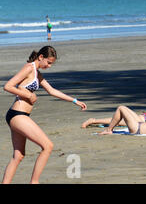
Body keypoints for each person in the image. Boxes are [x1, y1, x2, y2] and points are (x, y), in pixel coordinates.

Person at [2, 46, 87, 184]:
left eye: (51, 63)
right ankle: (34, 182)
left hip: (19, 115)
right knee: (48, 146)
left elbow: (52, 91)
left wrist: (75, 100)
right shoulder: (29, 68)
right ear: (40, 57)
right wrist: (29, 94)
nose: (49, 66)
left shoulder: (36, 73)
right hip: (17, 115)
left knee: (18, 156)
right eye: (48, 62)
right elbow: (8, 86)